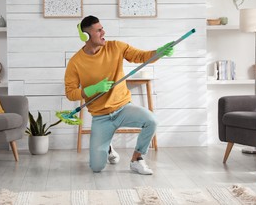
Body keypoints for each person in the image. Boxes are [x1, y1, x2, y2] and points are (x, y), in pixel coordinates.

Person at [64, 15, 174, 175]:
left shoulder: (115, 47)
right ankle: (107, 147)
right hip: (101, 117)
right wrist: (92, 89)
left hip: (123, 108)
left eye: (102, 28)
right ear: (86, 36)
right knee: (96, 167)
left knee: (151, 121)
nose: (103, 32)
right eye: (98, 30)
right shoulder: (75, 62)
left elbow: (141, 56)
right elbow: (70, 93)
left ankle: (137, 160)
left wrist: (159, 52)